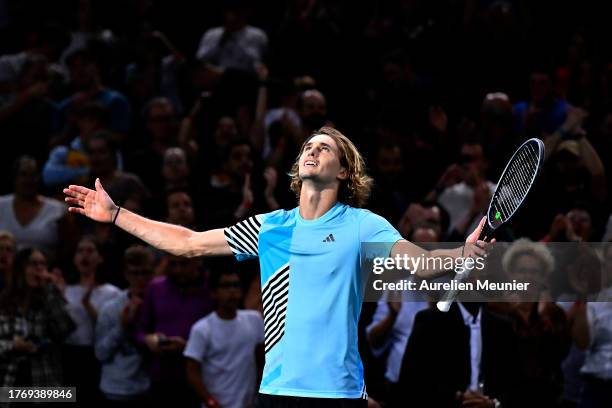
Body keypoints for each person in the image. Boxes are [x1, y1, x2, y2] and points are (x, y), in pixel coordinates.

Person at [64, 126, 491, 407]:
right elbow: (187, 243)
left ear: (343, 171)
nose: (312, 150)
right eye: (308, 146)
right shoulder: (271, 227)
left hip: (338, 393)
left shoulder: (363, 226)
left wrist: (461, 255)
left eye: (325, 148)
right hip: (276, 392)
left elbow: (417, 263)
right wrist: (117, 214)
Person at [136, 254, 213, 408]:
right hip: (161, 377)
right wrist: (148, 340)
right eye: (173, 264)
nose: (177, 270)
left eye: (183, 264)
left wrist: (188, 348)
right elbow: (139, 331)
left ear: (197, 261)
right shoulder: (155, 288)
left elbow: (223, 337)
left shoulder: (211, 290)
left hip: (201, 379)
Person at [184, 268, 264, 408]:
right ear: (214, 292)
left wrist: (257, 393)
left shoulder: (254, 320)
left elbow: (261, 359)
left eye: (235, 285)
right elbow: (192, 371)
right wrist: (211, 402)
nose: (232, 290)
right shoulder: (202, 328)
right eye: (226, 286)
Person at [0, 248, 75, 388]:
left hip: (45, 380)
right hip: (9, 381)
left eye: (43, 264)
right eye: (33, 263)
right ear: (20, 269)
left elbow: (65, 329)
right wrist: (13, 346)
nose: (40, 268)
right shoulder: (5, 302)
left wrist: (51, 290)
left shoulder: (49, 298)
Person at [63, 235, 121, 406]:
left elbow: (112, 330)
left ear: (100, 258)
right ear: (74, 258)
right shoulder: (66, 290)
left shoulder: (112, 293)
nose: (84, 256)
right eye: (80, 251)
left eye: (90, 251)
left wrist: (88, 306)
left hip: (97, 357)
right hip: (70, 354)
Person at [95, 245, 155, 406]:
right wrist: (122, 326)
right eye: (135, 273)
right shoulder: (110, 308)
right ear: (126, 274)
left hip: (148, 389)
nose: (141, 279)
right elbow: (100, 353)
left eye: (145, 273)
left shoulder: (160, 305)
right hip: (116, 390)